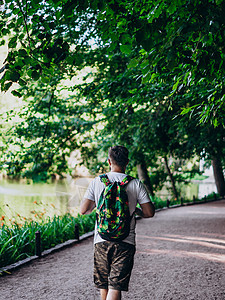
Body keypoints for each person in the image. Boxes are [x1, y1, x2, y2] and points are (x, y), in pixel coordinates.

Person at [80, 145, 155, 300]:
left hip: (101, 240)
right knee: (116, 286)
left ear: (109, 161)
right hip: (125, 241)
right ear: (127, 162)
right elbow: (149, 212)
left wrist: (99, 206)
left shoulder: (97, 182)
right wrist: (135, 211)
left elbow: (83, 210)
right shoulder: (135, 184)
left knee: (104, 285)